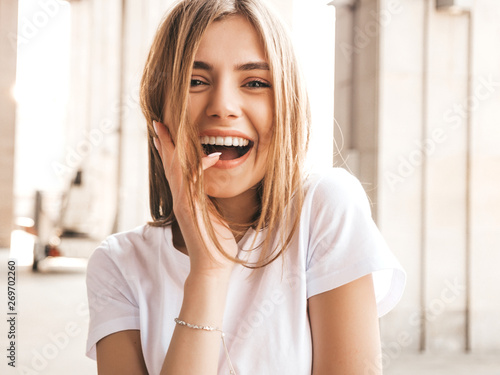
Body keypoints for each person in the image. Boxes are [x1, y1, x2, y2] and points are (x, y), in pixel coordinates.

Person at [85, 0, 406, 374]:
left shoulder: (325, 209)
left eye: (255, 82)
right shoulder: (117, 265)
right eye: (195, 81)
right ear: (160, 110)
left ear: (287, 105)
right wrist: (207, 273)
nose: (223, 106)